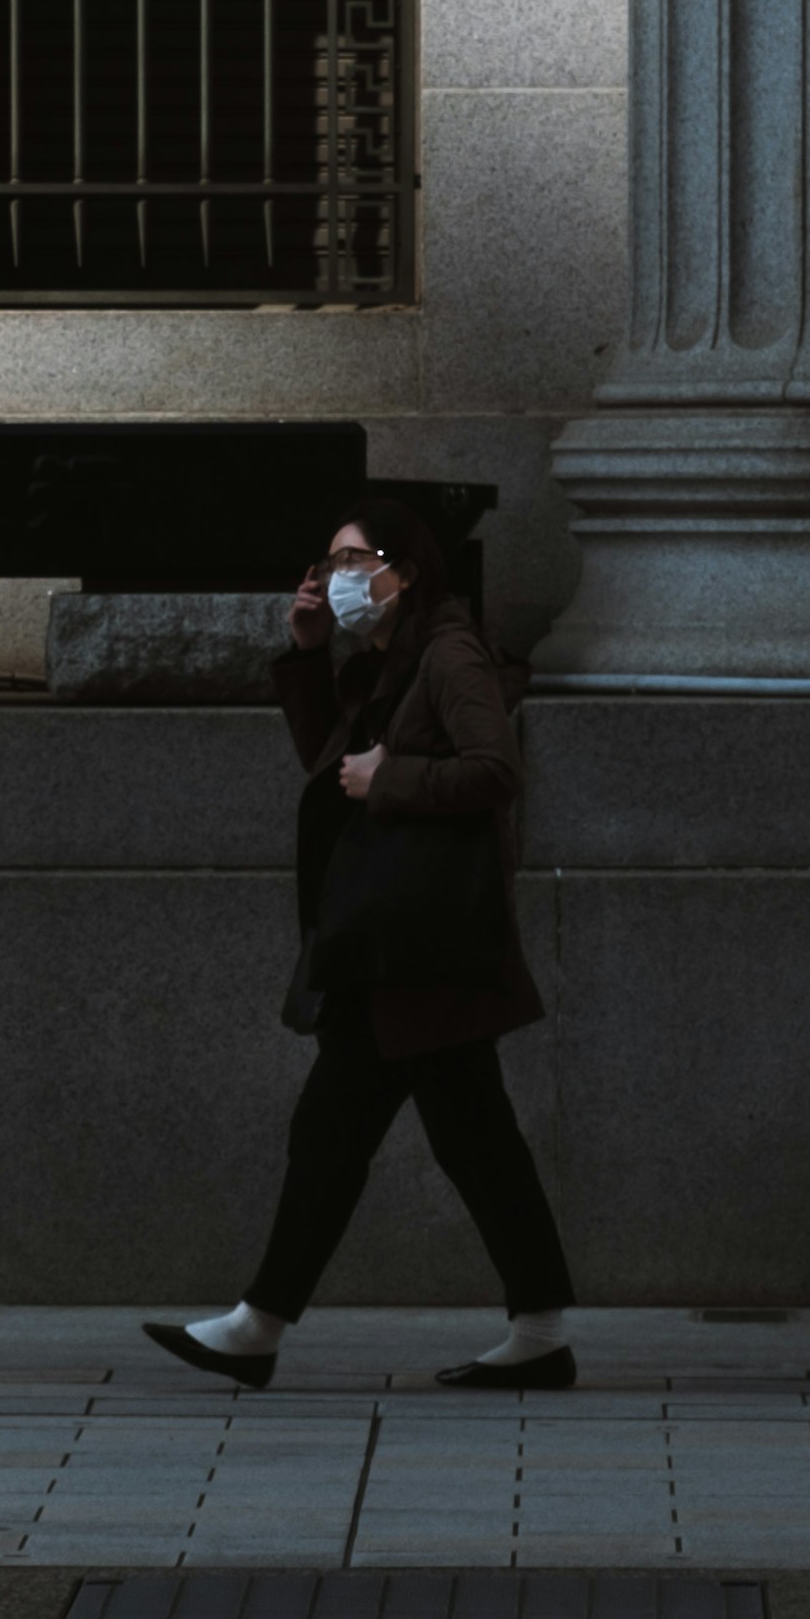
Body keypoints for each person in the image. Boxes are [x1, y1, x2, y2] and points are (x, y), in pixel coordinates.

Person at [142, 491, 578, 1393]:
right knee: (450, 1142)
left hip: (420, 944)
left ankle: (260, 1325)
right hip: (395, 945)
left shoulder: (449, 653)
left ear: (403, 572)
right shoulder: (389, 660)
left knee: (369, 1136)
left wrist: (394, 775)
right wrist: (307, 658)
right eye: (330, 564)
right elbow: (327, 767)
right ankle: (532, 1331)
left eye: (352, 563)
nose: (337, 580)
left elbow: (495, 770)